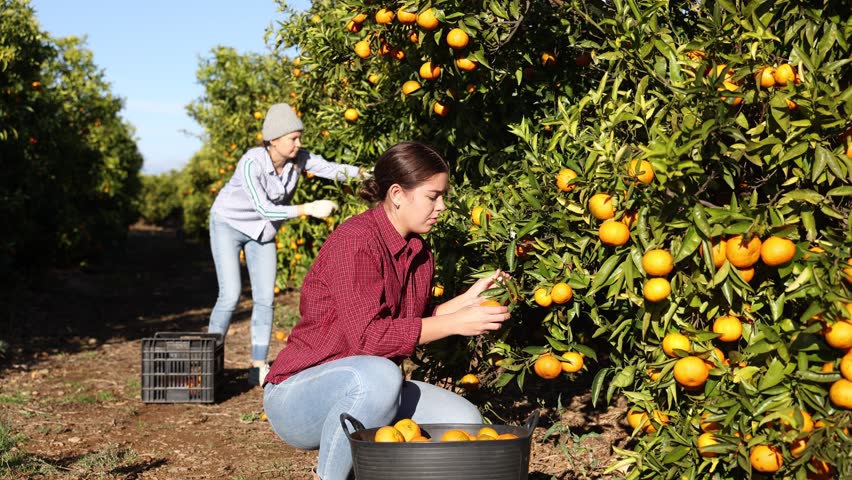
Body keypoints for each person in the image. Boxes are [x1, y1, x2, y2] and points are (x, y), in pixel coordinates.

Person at [262, 141, 512, 480]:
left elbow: (406, 326)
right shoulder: (356, 242)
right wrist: (455, 322)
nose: (442, 207)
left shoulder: (419, 253)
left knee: (464, 422)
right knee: (380, 376)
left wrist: (466, 303)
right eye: (432, 196)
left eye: (443, 196)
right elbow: (370, 340)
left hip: (370, 386)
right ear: (397, 194)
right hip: (298, 395)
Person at [207, 103, 362, 386]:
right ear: (273, 139)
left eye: (299, 137)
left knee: (265, 298)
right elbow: (264, 208)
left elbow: (330, 168)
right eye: (293, 138)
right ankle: (207, 362)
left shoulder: (299, 159)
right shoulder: (252, 162)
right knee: (230, 295)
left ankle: (258, 365)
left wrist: (367, 174)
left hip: (262, 232)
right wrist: (309, 208)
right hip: (228, 224)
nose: (299, 143)